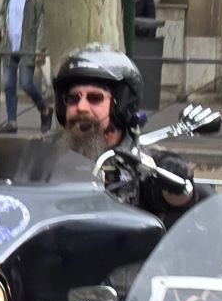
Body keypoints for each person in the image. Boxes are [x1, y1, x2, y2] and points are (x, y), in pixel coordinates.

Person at [46, 45, 194, 216]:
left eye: (94, 98)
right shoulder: (47, 156)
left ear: (121, 105)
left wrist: (174, 175)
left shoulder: (140, 164)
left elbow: (177, 200)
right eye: (73, 98)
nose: (81, 106)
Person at [0, 0, 49, 134]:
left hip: (27, 45)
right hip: (9, 46)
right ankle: (12, 122)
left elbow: (41, 21)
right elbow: (3, 14)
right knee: (9, 84)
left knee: (26, 83)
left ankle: (45, 109)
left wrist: (40, 48)